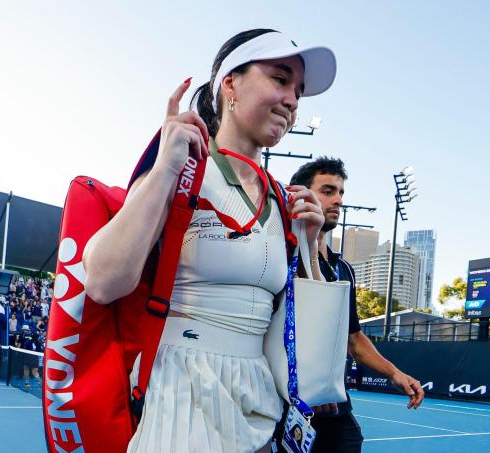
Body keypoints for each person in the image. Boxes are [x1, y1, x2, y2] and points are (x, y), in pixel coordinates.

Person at [82, 29, 335, 453]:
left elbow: (307, 343)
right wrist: (165, 167)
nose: (293, 100)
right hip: (179, 399)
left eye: (299, 90)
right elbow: (104, 281)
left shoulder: (283, 199)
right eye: (279, 79)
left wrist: (308, 249)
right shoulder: (184, 168)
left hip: (259, 406)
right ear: (230, 84)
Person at [282, 157, 426, 452]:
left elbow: (353, 339)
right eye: (327, 191)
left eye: (341, 193)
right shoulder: (280, 254)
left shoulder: (342, 268)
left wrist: (394, 374)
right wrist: (308, 384)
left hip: (334, 405)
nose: (337, 200)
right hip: (286, 400)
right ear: (300, 194)